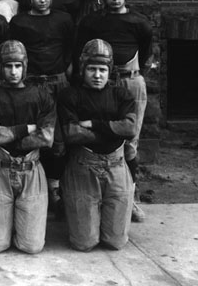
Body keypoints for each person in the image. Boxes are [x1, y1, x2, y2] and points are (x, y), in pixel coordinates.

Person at [75, 0, 152, 223]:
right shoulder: (92, 21)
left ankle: (132, 198)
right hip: (100, 84)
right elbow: (80, 54)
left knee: (130, 142)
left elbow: (147, 54)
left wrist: (136, 78)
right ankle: (96, 196)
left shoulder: (139, 22)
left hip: (130, 82)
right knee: (101, 136)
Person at [0, 40, 55, 254]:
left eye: (18, 66)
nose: (13, 71)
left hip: (31, 170)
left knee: (32, 246)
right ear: (0, 67)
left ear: (25, 66)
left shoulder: (41, 96)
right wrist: (27, 128)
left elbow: (46, 138)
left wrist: (4, 132)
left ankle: (19, 227)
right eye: (8, 66)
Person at [58, 39, 136, 251]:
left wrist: (94, 124)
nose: (97, 75)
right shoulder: (70, 95)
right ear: (83, 69)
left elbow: (130, 128)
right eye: (92, 69)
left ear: (109, 70)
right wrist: (112, 131)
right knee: (85, 242)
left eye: (102, 69)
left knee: (116, 242)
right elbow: (72, 134)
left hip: (117, 165)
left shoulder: (121, 94)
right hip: (83, 167)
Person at [9, 0, 74, 217]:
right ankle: (28, 186)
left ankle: (55, 187)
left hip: (57, 81)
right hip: (30, 83)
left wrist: (63, 70)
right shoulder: (19, 22)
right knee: (29, 133)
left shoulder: (63, 19)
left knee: (57, 139)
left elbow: (70, 47)